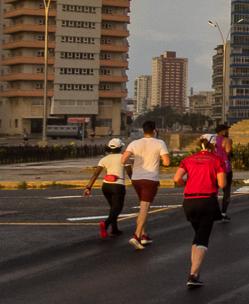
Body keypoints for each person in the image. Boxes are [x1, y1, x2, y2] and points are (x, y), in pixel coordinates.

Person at [173, 137, 226, 288]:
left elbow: (177, 178)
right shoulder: (217, 160)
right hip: (207, 200)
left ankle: (195, 271)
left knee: (197, 235)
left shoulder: (188, 159)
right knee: (203, 236)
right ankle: (193, 274)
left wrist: (188, 183)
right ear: (213, 145)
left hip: (189, 201)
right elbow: (222, 183)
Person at [122, 121, 169, 251]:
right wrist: (157, 159)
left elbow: (123, 160)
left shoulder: (134, 143)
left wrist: (135, 160)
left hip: (136, 179)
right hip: (150, 179)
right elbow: (167, 162)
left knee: (143, 205)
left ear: (143, 131)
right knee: (144, 207)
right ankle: (136, 235)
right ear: (155, 131)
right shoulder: (160, 143)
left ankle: (143, 235)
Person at [83, 137, 129, 240]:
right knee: (117, 208)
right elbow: (130, 173)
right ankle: (105, 223)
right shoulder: (124, 158)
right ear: (121, 147)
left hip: (106, 186)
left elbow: (96, 174)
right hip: (118, 185)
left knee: (113, 208)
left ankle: (114, 230)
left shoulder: (104, 159)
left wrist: (88, 188)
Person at [211, 123, 234, 221]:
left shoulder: (212, 140)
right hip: (225, 168)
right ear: (223, 131)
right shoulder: (227, 140)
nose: (228, 132)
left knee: (213, 191)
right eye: (227, 130)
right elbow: (228, 150)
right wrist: (232, 154)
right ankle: (223, 213)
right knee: (226, 192)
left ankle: (213, 212)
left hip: (213, 168)